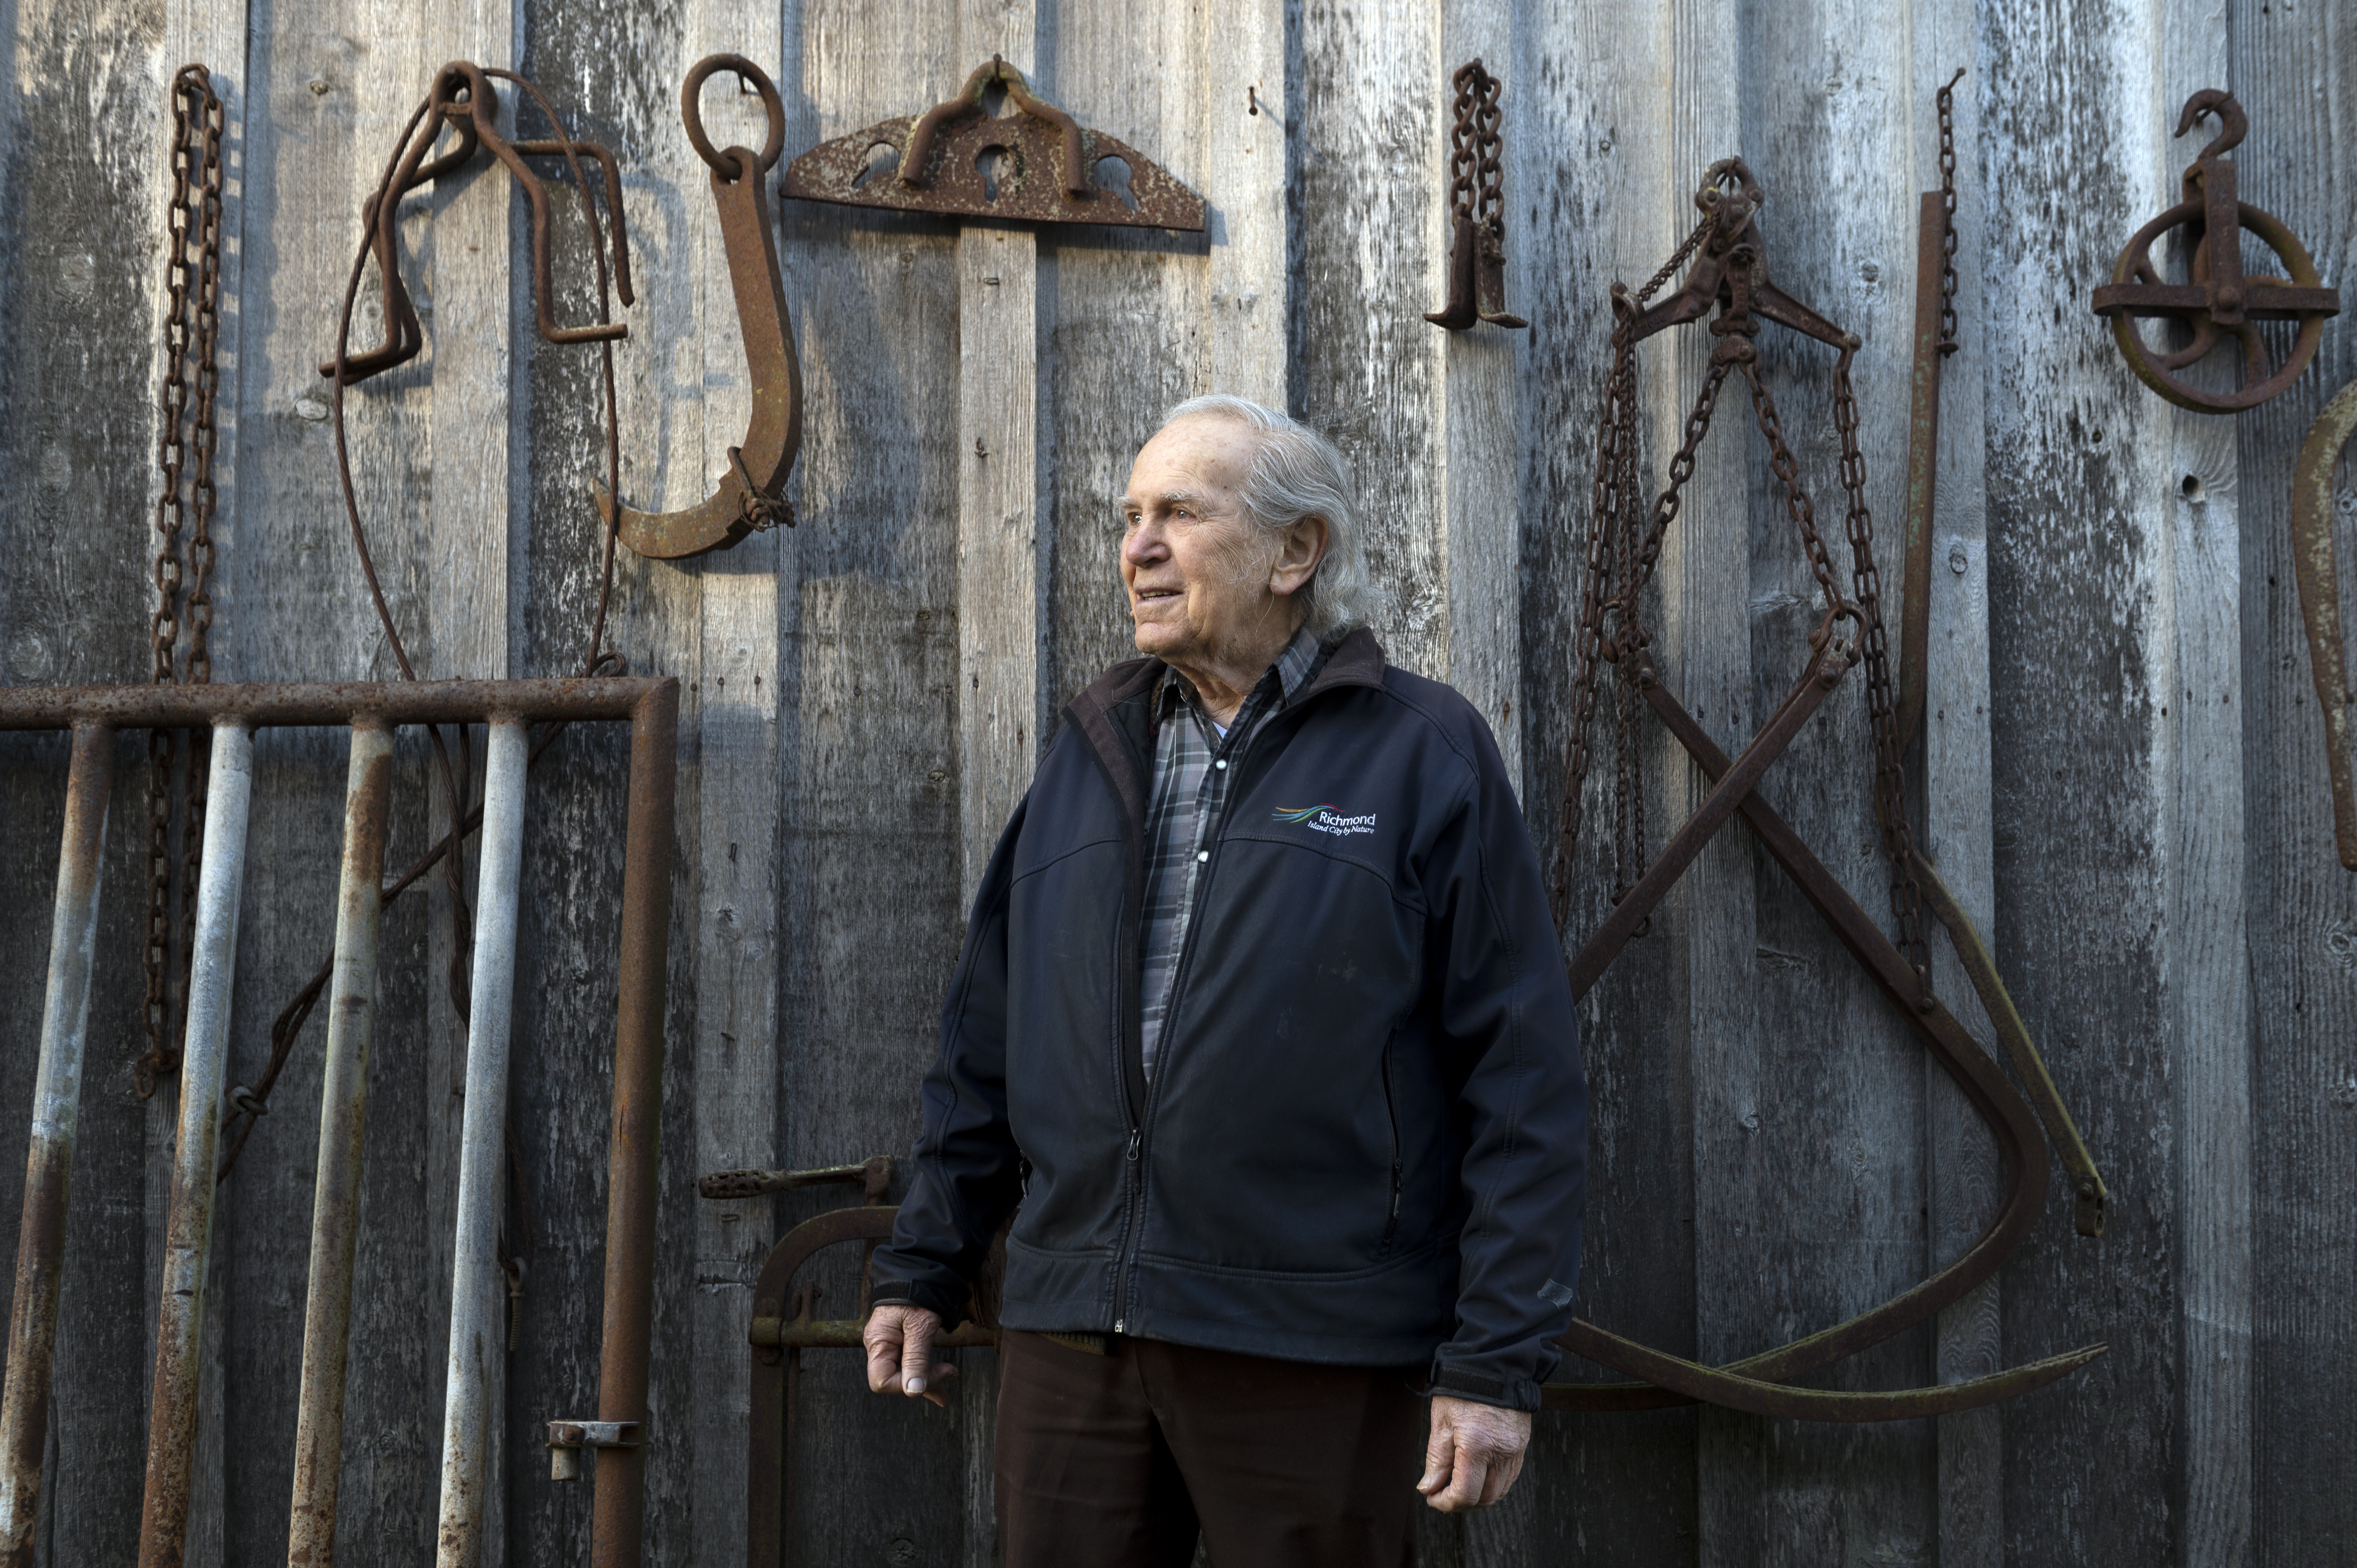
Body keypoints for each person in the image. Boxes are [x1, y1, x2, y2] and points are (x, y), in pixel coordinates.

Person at [862, 394, 1586, 1566]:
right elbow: (985, 1039)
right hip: (1076, 1337)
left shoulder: (1420, 752)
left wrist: (1496, 1359)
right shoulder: (1089, 751)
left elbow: (1523, 1080)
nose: (1135, 547)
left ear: (1295, 552)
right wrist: (924, 1263)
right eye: (1131, 515)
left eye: (1179, 515)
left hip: (1310, 1340)